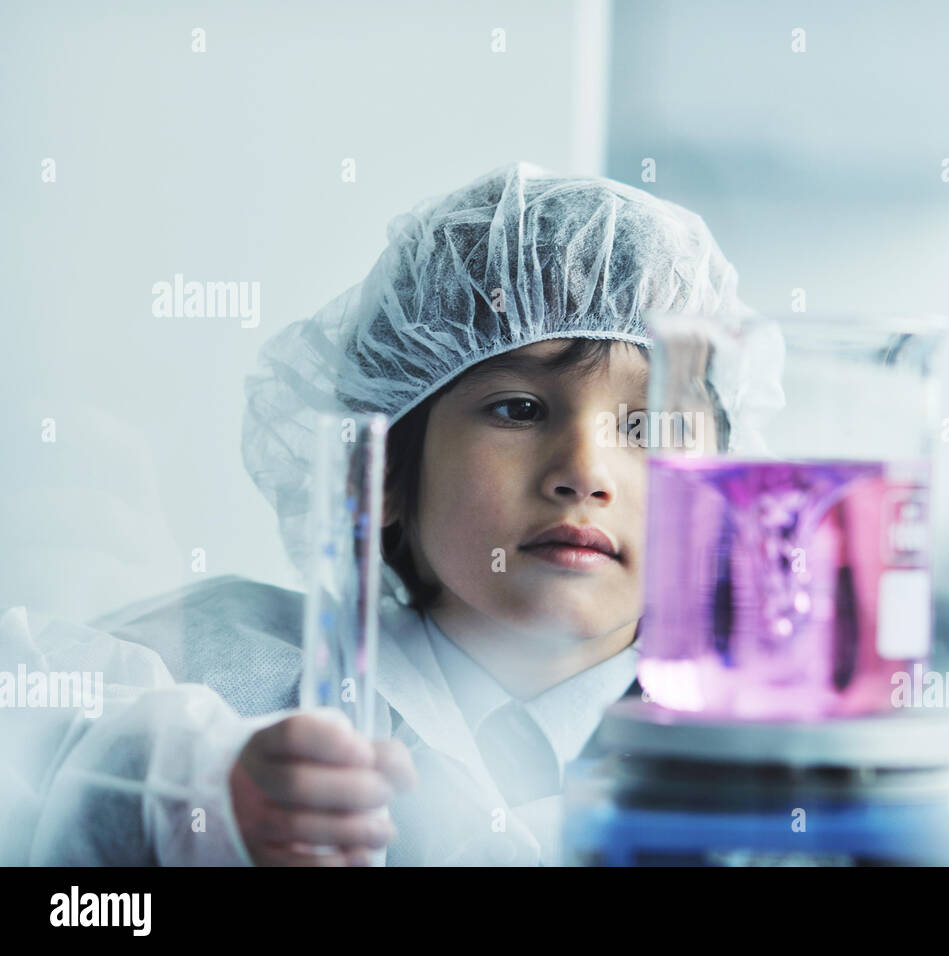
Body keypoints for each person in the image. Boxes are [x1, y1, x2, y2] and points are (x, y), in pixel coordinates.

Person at [0, 160, 782, 866]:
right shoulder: (219, 679)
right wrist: (193, 807)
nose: (584, 472)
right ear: (381, 473)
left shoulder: (776, 761)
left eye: (646, 428)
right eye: (517, 408)